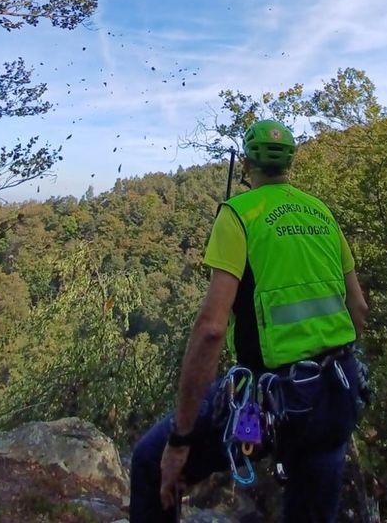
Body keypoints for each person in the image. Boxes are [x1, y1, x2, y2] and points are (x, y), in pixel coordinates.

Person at [129, 120, 368, 523]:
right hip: (335, 393)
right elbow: (357, 308)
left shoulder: (240, 214)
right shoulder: (321, 213)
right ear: (290, 162)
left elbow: (210, 329)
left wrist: (181, 440)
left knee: (150, 460)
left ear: (245, 163)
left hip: (276, 399)